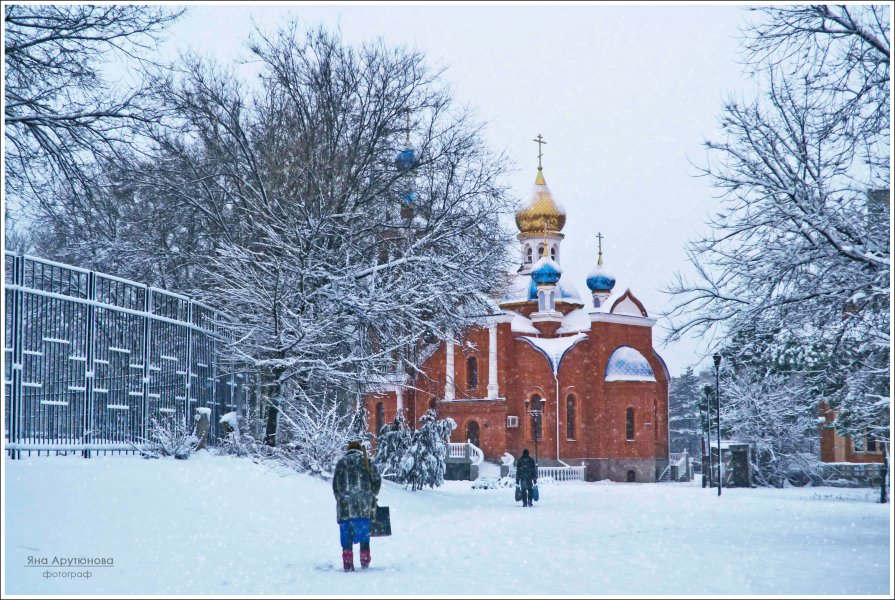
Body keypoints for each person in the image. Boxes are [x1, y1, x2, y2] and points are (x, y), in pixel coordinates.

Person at [332, 440, 382, 571]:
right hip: (363, 506)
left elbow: (335, 485)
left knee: (346, 537)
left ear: (348, 449)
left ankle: (348, 563)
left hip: (345, 508)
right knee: (364, 534)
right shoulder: (366, 461)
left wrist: (340, 497)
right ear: (359, 449)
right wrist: (372, 494)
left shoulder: (341, 463)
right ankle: (364, 560)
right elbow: (377, 479)